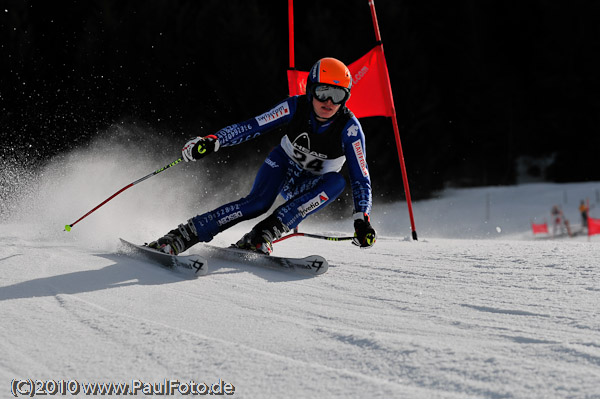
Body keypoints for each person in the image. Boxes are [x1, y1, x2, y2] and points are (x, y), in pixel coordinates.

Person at [148, 57, 376, 255]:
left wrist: (362, 220)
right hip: (282, 165)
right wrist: (214, 141)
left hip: (309, 186)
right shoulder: (295, 106)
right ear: (310, 89)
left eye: (337, 95)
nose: (329, 102)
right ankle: (182, 235)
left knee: (337, 182)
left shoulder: (351, 130)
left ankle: (261, 236)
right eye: (323, 92)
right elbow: (253, 125)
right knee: (257, 203)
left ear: (345, 97)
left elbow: (361, 179)